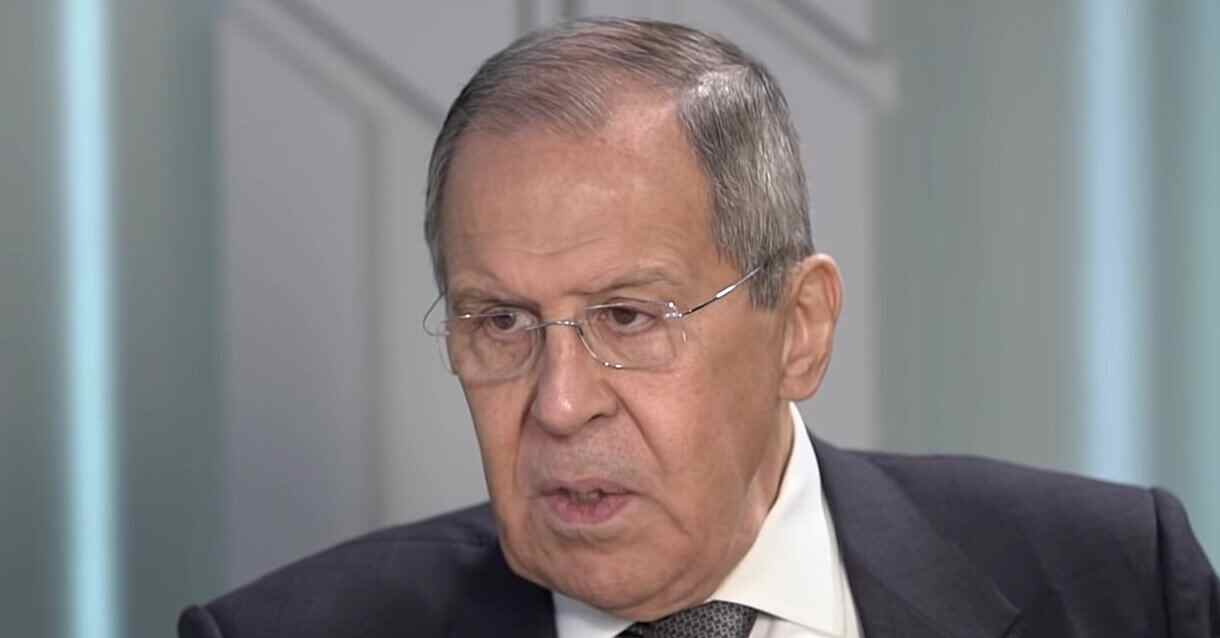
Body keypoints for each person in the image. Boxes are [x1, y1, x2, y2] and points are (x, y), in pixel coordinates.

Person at [179, 17, 1218, 638]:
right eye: (500, 321)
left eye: (628, 316)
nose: (560, 403)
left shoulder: (1118, 583)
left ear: (799, 328)